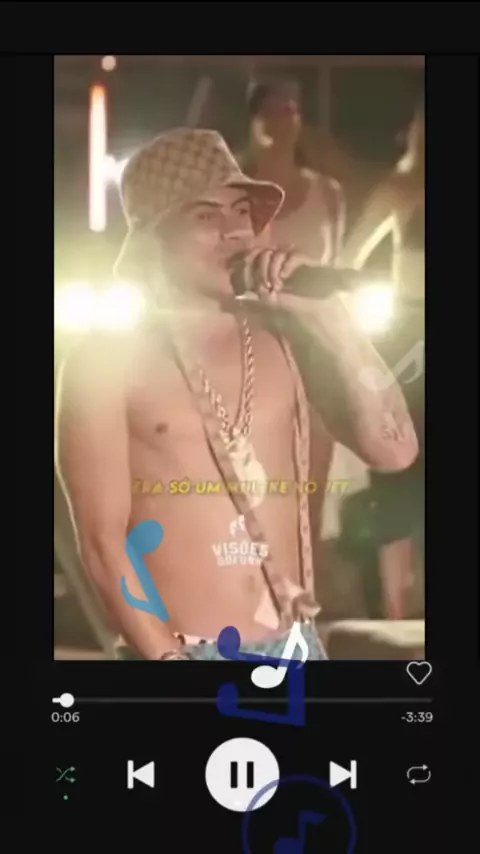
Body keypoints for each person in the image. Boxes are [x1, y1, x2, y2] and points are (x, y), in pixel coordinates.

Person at [55, 128, 418, 661]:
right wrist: (168, 663)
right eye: (206, 216)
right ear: (152, 237)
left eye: (242, 211)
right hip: (182, 654)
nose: (235, 231)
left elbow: (396, 450)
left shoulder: (289, 335)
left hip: (295, 651)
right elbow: (101, 542)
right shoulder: (105, 358)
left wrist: (333, 321)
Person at [241, 78, 347, 551]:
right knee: (256, 471)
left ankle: (308, 573)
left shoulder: (328, 192)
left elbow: (335, 265)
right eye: (271, 110)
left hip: (316, 344)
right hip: (253, 342)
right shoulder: (235, 194)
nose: (282, 120)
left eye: (290, 110)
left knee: (314, 473)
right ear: (253, 120)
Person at [340, 101, 425, 619]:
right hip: (408, 339)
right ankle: (395, 610)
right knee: (397, 464)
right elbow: (348, 259)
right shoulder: (401, 189)